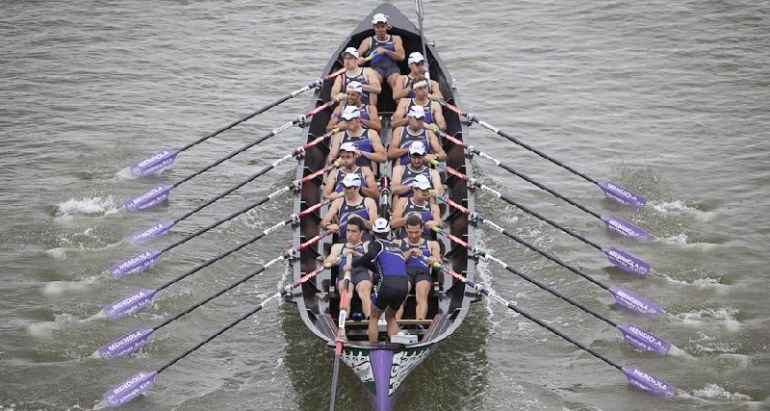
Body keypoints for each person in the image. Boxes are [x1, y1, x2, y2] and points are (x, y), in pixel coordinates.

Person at [345, 217, 408, 342]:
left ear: (372, 233)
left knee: (374, 316)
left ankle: (373, 347)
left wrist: (352, 265)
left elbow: (370, 255)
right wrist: (362, 259)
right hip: (404, 285)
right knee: (391, 316)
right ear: (388, 232)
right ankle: (396, 347)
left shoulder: (376, 244)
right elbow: (377, 268)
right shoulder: (397, 247)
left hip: (388, 284)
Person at [324, 216, 373, 320]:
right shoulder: (338, 247)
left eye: (354, 231)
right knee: (346, 290)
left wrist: (358, 255)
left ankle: (370, 320)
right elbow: (326, 263)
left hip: (362, 275)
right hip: (344, 275)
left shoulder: (367, 245)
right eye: (348, 231)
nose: (350, 234)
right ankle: (344, 322)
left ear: (361, 233)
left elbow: (374, 261)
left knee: (364, 290)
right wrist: (334, 260)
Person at [396, 214, 441, 321]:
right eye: (410, 232)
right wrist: (410, 252)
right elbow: (395, 262)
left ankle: (419, 322)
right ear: (406, 229)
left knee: (421, 294)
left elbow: (438, 260)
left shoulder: (432, 244)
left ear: (422, 229)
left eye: (417, 232)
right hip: (404, 273)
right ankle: (394, 324)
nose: (414, 236)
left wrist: (434, 260)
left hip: (423, 273)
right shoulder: (397, 243)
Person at [326, 106, 387, 171]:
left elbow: (383, 157)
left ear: (358, 120)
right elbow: (330, 157)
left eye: (350, 120)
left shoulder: (371, 133)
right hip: (345, 173)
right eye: (345, 120)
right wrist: (337, 162)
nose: (347, 123)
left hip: (364, 173)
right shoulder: (339, 136)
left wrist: (362, 153)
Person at [357, 13, 405, 93]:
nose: (380, 29)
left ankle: (401, 103)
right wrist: (359, 59)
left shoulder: (396, 38)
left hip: (392, 68)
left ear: (386, 26)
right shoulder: (368, 41)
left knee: (396, 83)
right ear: (373, 27)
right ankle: (371, 105)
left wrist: (386, 52)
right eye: (377, 27)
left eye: (382, 26)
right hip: (376, 69)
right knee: (372, 85)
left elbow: (401, 56)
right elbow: (356, 55)